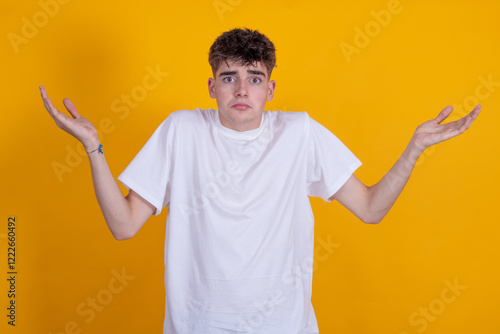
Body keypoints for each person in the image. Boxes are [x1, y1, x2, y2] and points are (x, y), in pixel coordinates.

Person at [40, 28, 481, 334]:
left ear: (270, 89)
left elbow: (369, 209)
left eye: (254, 79)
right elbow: (124, 225)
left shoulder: (299, 132)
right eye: (229, 78)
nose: (241, 91)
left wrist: (414, 149)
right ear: (212, 86)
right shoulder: (182, 130)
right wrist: (93, 147)